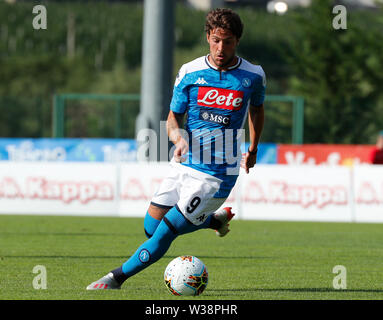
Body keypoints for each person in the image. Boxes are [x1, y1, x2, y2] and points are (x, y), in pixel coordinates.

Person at [86, 8, 266, 290]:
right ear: (208, 37)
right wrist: (176, 137)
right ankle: (213, 222)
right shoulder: (190, 71)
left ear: (237, 41)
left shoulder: (252, 75)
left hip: (216, 175)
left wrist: (253, 148)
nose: (221, 48)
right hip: (185, 164)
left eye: (228, 41)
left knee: (164, 234)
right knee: (151, 227)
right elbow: (173, 116)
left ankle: (115, 278)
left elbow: (257, 109)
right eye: (216, 40)